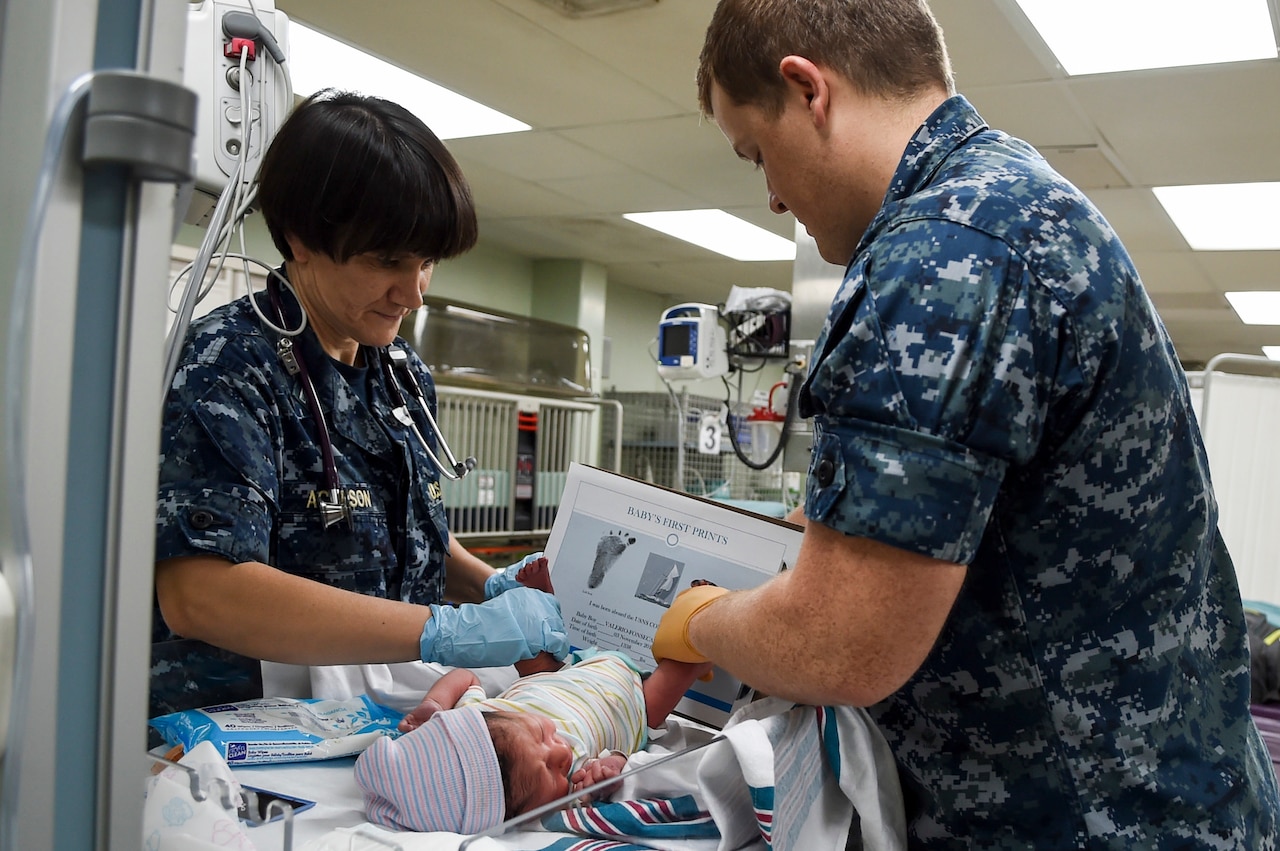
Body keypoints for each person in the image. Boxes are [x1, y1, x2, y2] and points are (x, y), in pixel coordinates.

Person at [652, 1, 1280, 847]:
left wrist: (701, 614)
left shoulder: (943, 248)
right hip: (1166, 792)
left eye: (758, 152)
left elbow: (841, 645)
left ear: (807, 90)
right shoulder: (1013, 196)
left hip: (1085, 818)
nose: (770, 194)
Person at [150, 89, 567, 718]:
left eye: (427, 262)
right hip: (240, 731)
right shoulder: (229, 367)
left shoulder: (399, 374)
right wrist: (441, 630)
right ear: (301, 239)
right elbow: (202, 593)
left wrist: (494, 588)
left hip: (373, 714)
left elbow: (405, 534)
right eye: (387, 261)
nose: (415, 293)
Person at [352, 648, 713, 834]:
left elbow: (463, 677)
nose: (561, 750)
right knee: (667, 684)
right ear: (523, 814)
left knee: (531, 646)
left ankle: (545, 592)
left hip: (571, 670)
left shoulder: (486, 712)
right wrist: (610, 768)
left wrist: (434, 704)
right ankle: (697, 649)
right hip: (634, 701)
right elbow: (618, 766)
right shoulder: (569, 792)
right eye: (553, 770)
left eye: (541, 734)